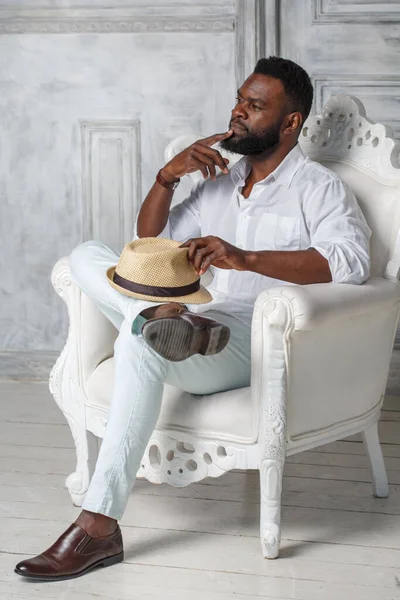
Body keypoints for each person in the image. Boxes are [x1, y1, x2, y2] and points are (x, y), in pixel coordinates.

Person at [15, 56, 371, 581]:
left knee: (138, 343)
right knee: (90, 254)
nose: (238, 112)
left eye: (255, 106)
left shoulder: (318, 188)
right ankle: (154, 315)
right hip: (192, 322)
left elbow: (351, 262)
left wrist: (247, 259)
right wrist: (167, 177)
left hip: (250, 337)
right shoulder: (221, 181)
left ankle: (97, 528)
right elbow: (152, 247)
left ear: (290, 122)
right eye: (238, 100)